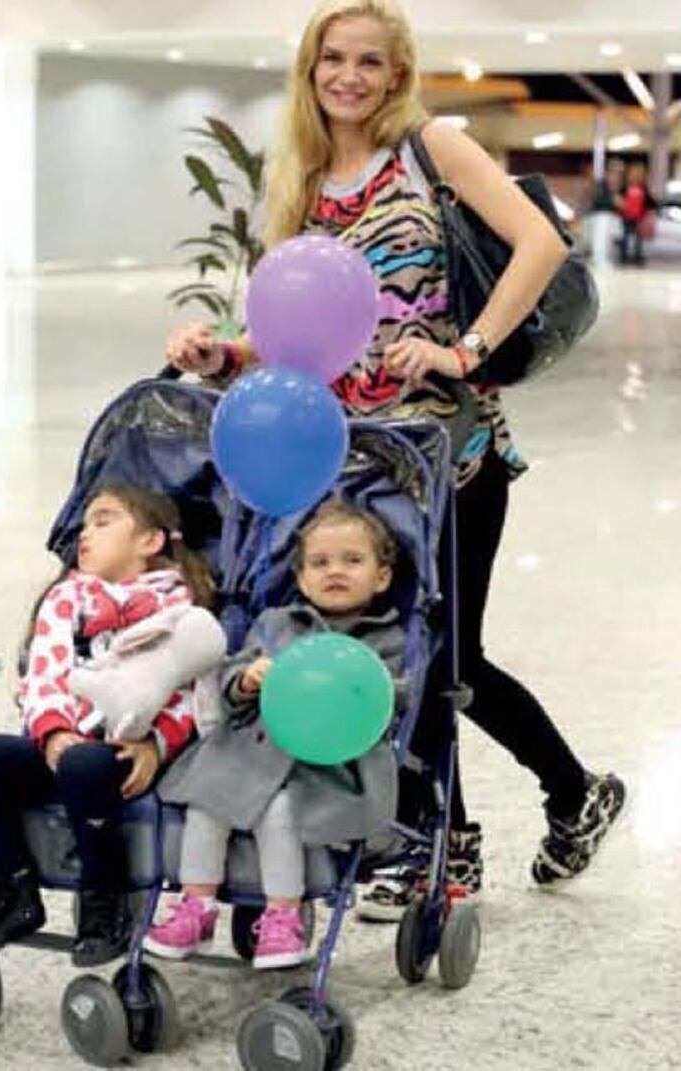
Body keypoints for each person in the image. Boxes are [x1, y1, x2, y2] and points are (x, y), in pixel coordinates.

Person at [163, 0, 625, 918]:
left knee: (449, 653)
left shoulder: (432, 149)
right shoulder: (298, 183)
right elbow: (299, 331)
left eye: (369, 62)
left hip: (450, 447)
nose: (349, 77)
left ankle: (504, 815)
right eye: (333, 58)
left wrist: (468, 348)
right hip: (352, 458)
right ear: (310, 68)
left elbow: (541, 242)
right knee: (390, 650)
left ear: (396, 72)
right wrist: (228, 354)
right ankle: (455, 830)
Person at [0, 485, 226, 967]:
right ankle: (12, 887)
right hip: (65, 740)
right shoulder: (65, 599)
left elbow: (192, 692)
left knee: (85, 763)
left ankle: (104, 900)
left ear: (150, 542)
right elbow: (46, 671)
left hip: (130, 752)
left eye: (103, 521)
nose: (85, 534)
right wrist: (53, 731)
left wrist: (157, 744)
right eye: (84, 525)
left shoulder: (182, 607)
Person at [145, 501, 404, 967]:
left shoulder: (384, 639)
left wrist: (354, 692)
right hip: (252, 749)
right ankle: (195, 905)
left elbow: (396, 699)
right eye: (320, 563)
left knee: (281, 809)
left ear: (381, 577)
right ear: (302, 578)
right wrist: (246, 681)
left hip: (326, 765)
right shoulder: (277, 625)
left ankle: (283, 916)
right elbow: (230, 676)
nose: (335, 572)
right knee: (208, 801)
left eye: (352, 560)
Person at [615, 161, 655, 266]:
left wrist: (649, 214)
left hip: (639, 217)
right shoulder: (625, 188)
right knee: (625, 237)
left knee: (639, 239)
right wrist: (620, 204)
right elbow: (617, 199)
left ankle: (638, 256)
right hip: (627, 216)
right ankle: (623, 257)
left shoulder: (643, 188)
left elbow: (650, 202)